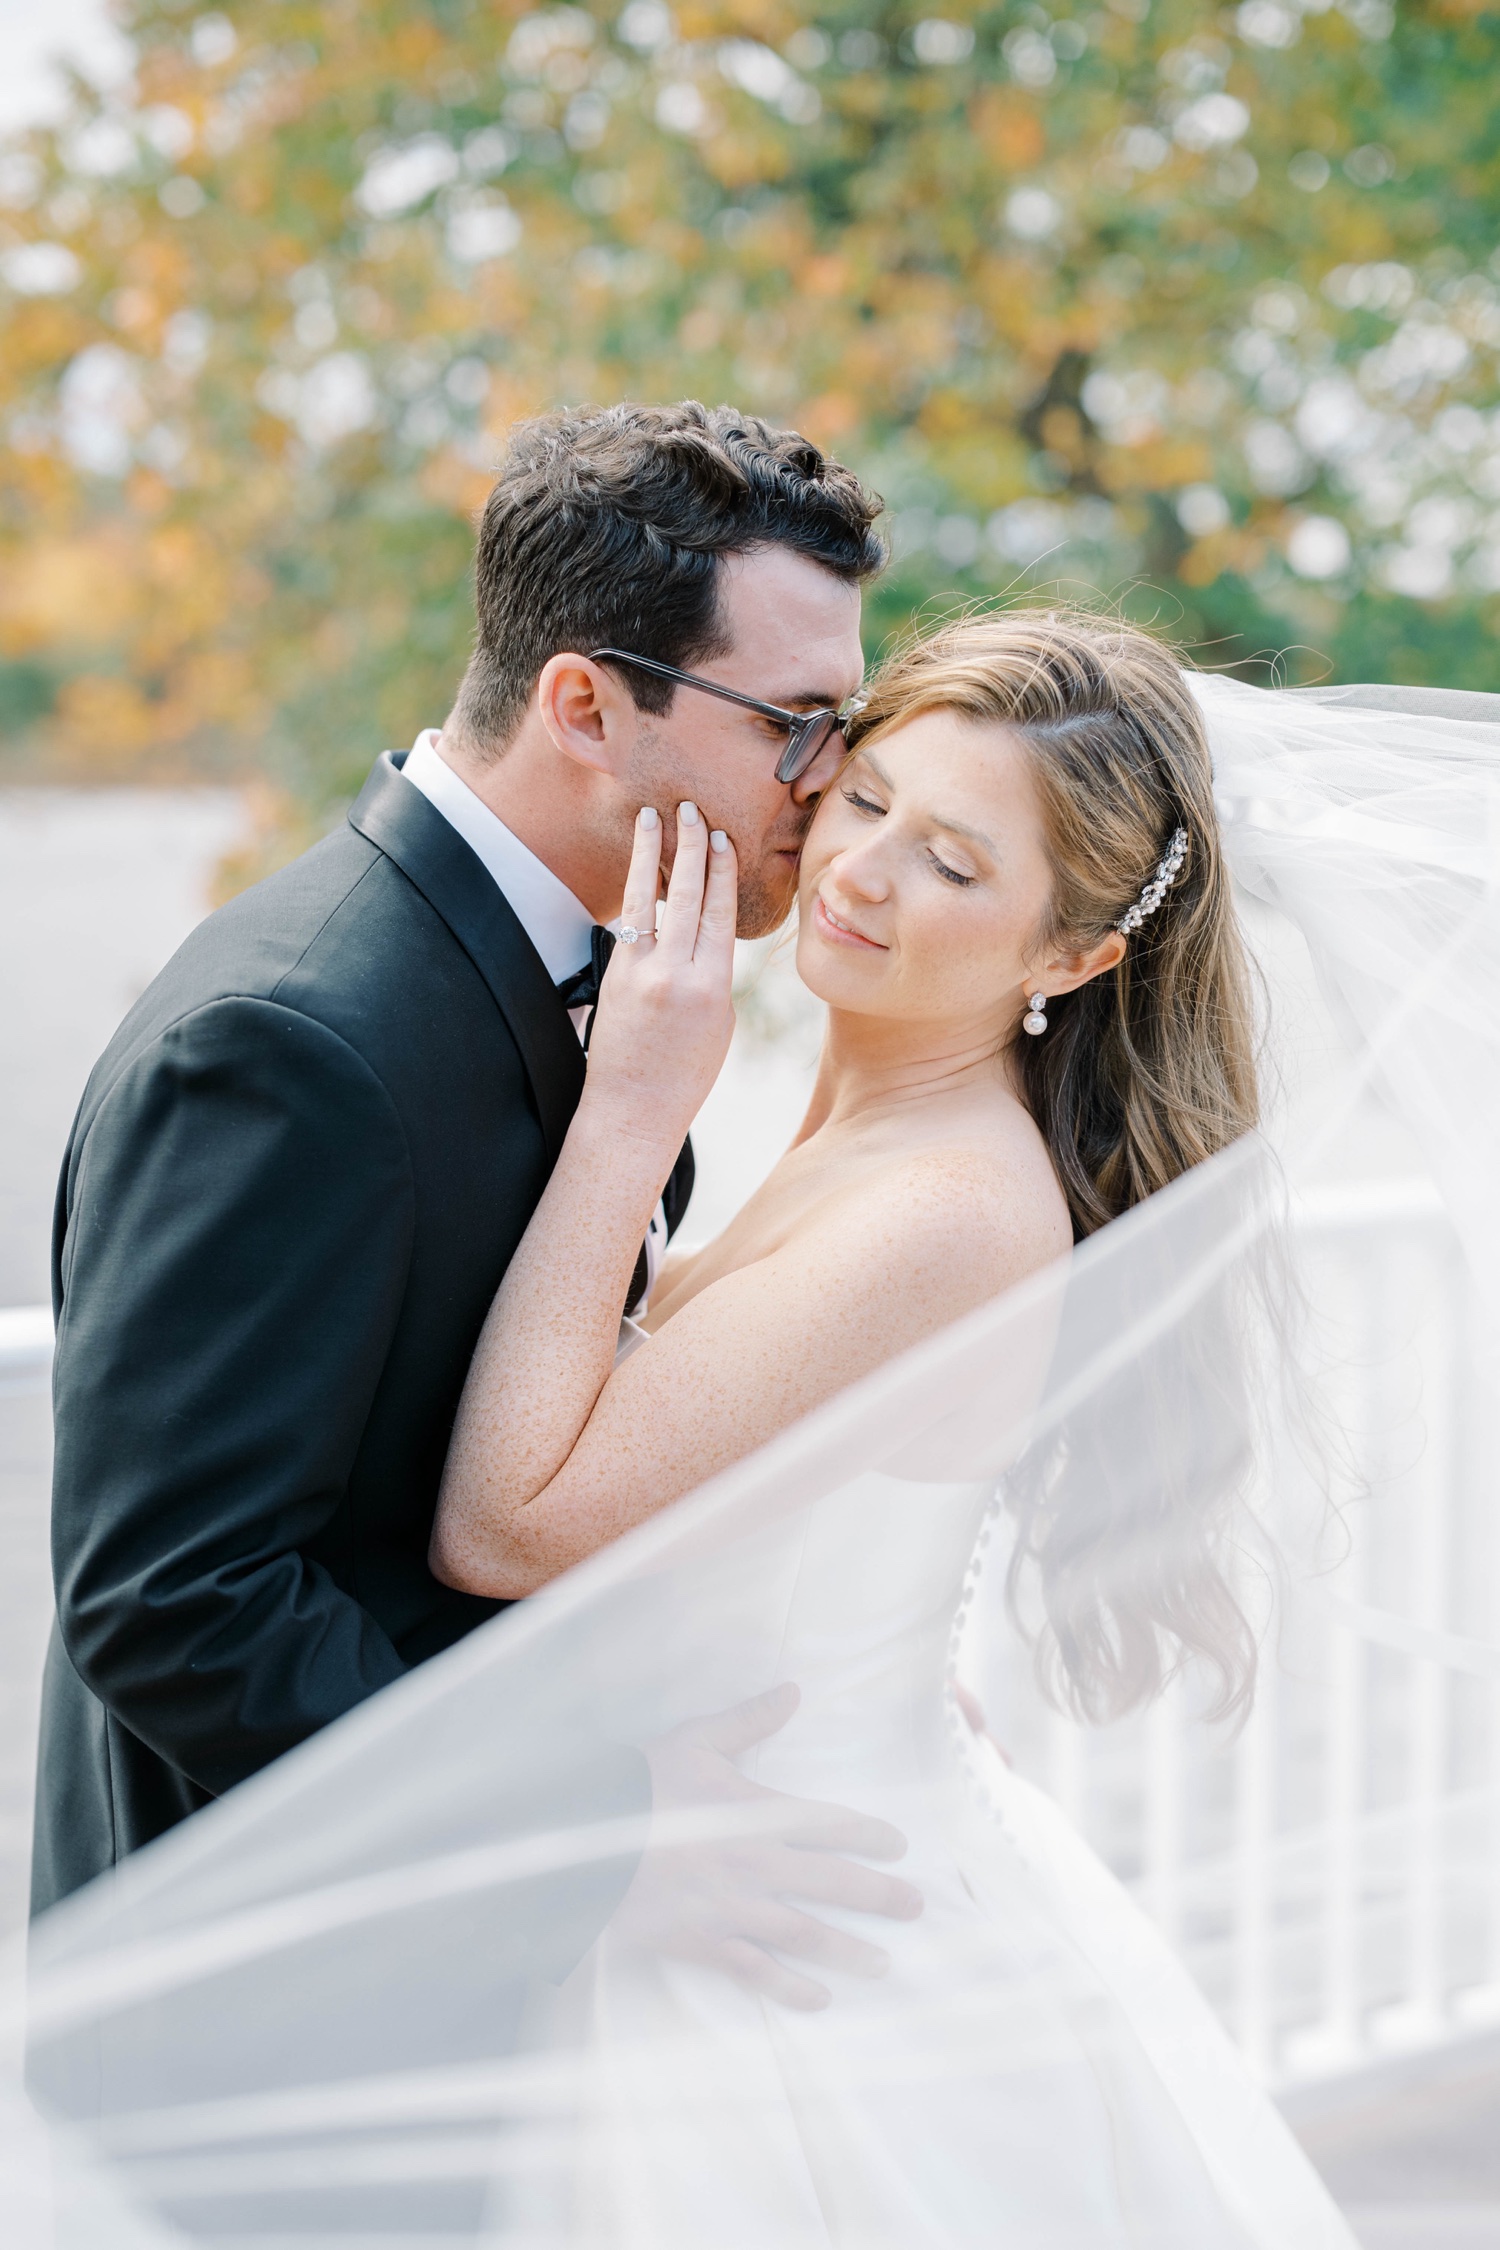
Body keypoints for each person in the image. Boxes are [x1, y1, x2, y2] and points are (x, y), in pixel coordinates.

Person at [33, 401, 925, 1997]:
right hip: (282, 2011)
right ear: (584, 702)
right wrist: (583, 1843)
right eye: (792, 721)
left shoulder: (596, 980)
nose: (833, 782)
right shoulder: (290, 1041)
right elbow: (180, 1603)